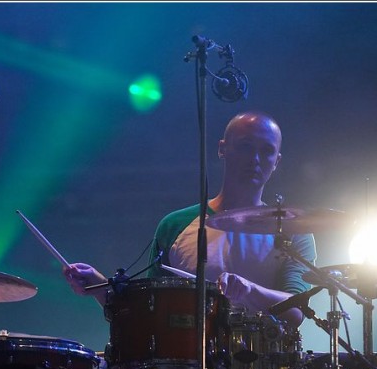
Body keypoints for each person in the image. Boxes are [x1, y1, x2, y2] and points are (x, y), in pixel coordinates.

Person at [63, 111, 316, 329]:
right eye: (245, 146)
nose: (256, 159)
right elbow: (147, 312)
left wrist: (249, 290)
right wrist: (99, 286)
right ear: (222, 149)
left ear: (277, 161)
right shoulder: (174, 225)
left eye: (267, 151)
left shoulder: (291, 230)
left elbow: (295, 313)